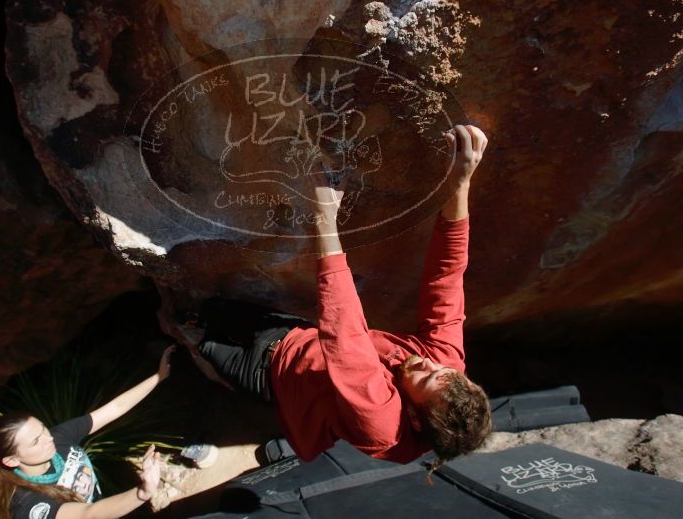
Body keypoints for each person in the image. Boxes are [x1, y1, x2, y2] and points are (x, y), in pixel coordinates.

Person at [174, 125, 492, 466]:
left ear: (415, 418)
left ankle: (176, 337)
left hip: (268, 375)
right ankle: (187, 319)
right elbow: (446, 278)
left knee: (202, 345)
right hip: (297, 336)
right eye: (443, 371)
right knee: (211, 311)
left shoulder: (382, 426)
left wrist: (325, 219)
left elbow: (346, 337)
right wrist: (460, 183)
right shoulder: (444, 366)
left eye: (426, 378)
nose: (430, 364)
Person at [0, 346, 176, 519]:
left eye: (43, 429)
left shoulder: (59, 438)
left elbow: (114, 408)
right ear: (11, 460)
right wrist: (141, 493)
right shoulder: (27, 505)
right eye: (35, 441)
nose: (48, 438)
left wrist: (158, 376)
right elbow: (87, 514)